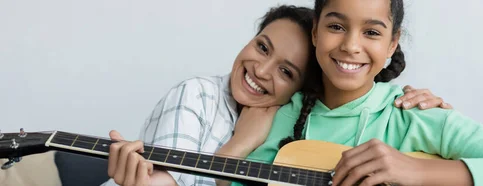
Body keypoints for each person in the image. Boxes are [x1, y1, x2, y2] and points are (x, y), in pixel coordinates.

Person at [102, 5, 452, 186]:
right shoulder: (198, 95)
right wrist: (238, 148)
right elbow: (169, 179)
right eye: (262, 47)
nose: (261, 70)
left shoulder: (292, 129)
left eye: (286, 71)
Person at [238, 0, 483, 186]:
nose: (351, 45)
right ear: (315, 33)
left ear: (392, 43)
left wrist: (415, 173)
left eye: (371, 32)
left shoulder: (414, 115)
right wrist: (233, 149)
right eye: (336, 26)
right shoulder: (282, 113)